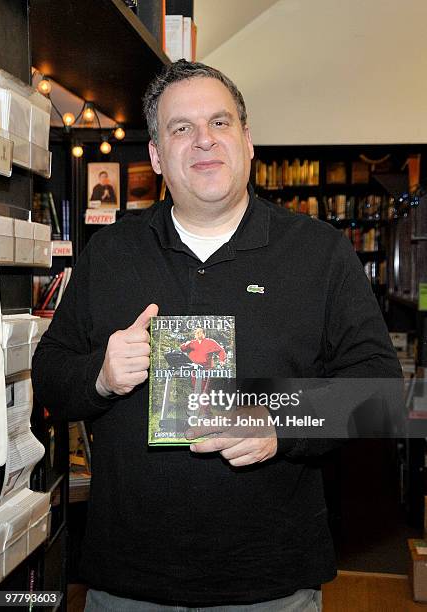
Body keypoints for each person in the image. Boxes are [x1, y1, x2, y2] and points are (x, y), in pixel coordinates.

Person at [32, 60, 401, 611]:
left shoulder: (320, 252)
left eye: (220, 123)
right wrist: (101, 376)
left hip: (270, 585)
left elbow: (382, 397)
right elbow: (49, 377)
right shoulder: (110, 253)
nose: (204, 141)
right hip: (128, 584)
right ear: (156, 156)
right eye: (181, 129)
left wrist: (280, 424)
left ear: (248, 141)